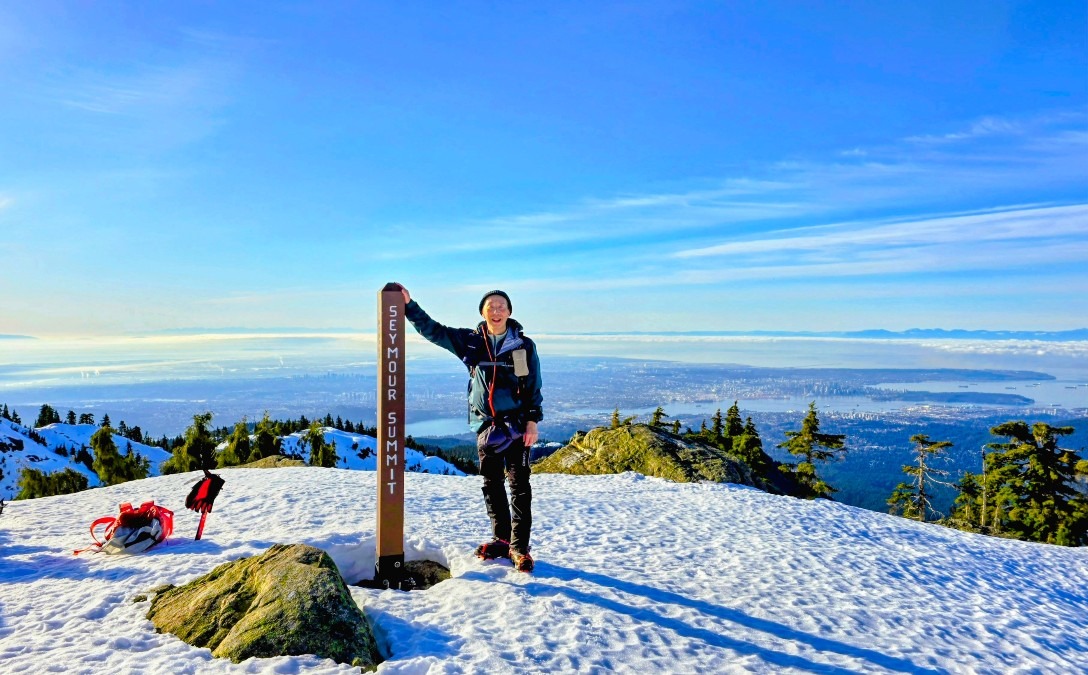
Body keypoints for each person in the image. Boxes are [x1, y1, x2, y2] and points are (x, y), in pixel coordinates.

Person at [396, 284, 542, 572]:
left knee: (519, 486)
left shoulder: (523, 346)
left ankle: (519, 548)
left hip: (516, 427)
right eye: (491, 307)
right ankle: (502, 539)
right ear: (483, 313)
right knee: (492, 485)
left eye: (501, 306)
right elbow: (435, 331)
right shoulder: (471, 342)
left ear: (509, 312)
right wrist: (409, 306)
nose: (496, 311)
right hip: (486, 428)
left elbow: (533, 386)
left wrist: (532, 421)